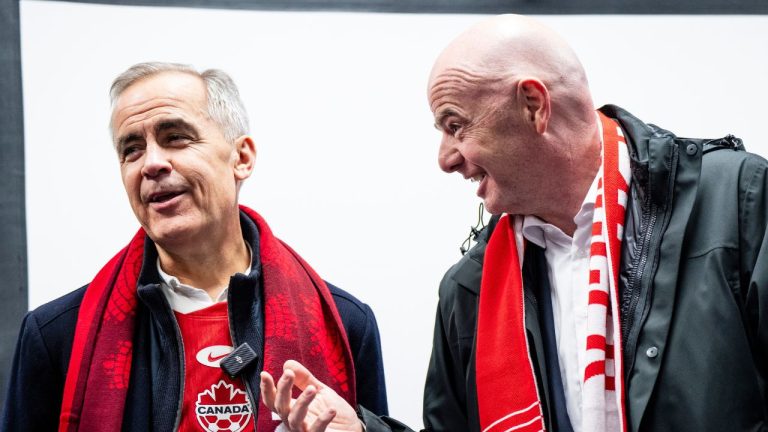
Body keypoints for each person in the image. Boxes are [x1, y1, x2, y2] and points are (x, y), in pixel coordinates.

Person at [260, 14, 768, 432]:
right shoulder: (469, 289)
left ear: (533, 105)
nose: (445, 159)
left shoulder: (738, 201)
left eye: (455, 125)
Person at [1, 62, 388, 431]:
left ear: (241, 157)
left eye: (176, 138)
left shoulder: (346, 323)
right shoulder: (57, 336)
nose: (151, 163)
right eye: (132, 149)